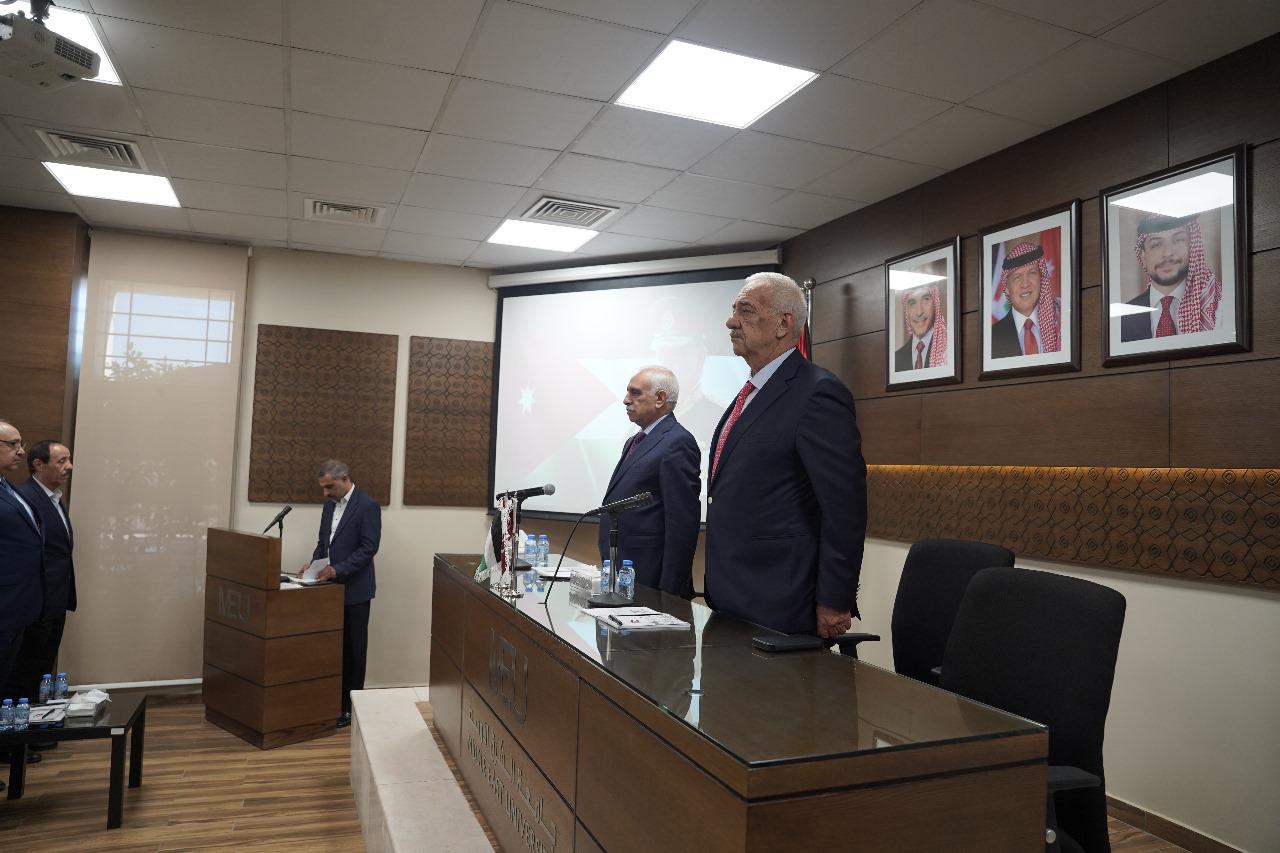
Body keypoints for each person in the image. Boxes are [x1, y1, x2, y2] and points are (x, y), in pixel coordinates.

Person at [704, 273, 868, 638]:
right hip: (730, 597)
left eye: (745, 310)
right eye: (733, 310)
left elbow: (844, 508)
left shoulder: (818, 393)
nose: (731, 321)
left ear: (783, 324)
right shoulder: (749, 394)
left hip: (780, 603)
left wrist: (834, 600)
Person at [596, 366, 700, 598]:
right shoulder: (634, 441)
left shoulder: (677, 442)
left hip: (651, 578)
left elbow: (682, 522)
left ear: (660, 398)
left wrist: (670, 591)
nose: (626, 400)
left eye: (635, 393)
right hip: (623, 571)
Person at [304, 460, 380, 728]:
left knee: (353, 651)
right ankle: (331, 701)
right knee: (332, 648)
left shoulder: (367, 506)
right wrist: (313, 566)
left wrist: (339, 569)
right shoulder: (328, 506)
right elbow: (323, 544)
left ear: (345, 478)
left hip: (356, 590)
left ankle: (350, 708)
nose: (325, 493)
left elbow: (369, 548)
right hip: (329, 591)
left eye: (329, 487)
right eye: (323, 488)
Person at [10, 441, 76, 705]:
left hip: (55, 602)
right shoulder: (24, 498)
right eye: (61, 461)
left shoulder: (55, 498)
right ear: (38, 464)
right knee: (25, 674)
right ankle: (21, 727)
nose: (69, 466)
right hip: (35, 605)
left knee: (42, 671)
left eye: (69, 460)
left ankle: (38, 720)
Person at [1121, 212, 1222, 342]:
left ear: (1192, 247)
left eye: (1178, 240)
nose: (1167, 253)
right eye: (1156, 244)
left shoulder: (1219, 306)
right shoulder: (1123, 319)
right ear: (1143, 258)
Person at [991, 241, 1062, 358]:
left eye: (1032, 273)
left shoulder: (1062, 322)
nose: (1025, 284)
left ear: (1042, 278)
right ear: (1007, 288)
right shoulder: (992, 338)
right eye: (1017, 277)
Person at [894, 283, 947, 370]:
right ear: (906, 311)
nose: (919, 312)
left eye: (926, 300)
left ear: (935, 304)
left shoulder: (948, 352)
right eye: (912, 303)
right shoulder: (896, 359)